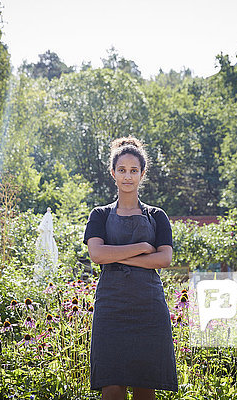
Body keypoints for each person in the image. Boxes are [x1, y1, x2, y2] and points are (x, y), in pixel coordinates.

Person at [83, 136, 178, 400]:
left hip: (149, 306)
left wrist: (116, 256)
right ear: (113, 173)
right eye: (122, 170)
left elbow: (164, 259)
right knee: (112, 385)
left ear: (142, 174)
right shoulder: (99, 215)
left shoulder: (157, 216)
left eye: (133, 171)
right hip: (111, 308)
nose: (128, 176)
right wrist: (141, 247)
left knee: (145, 385)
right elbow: (96, 254)